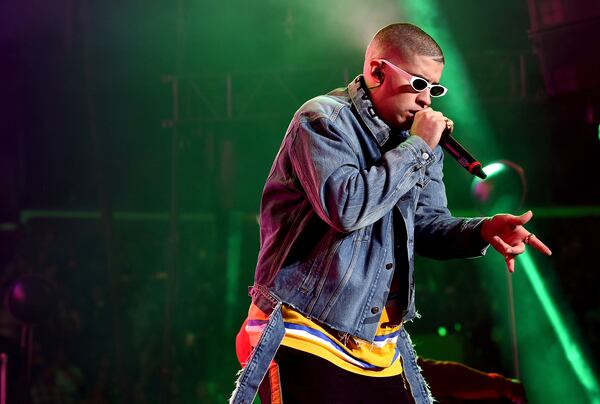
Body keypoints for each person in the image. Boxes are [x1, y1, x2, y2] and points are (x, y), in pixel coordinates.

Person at [230, 23, 551, 404]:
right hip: (306, 331)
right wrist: (418, 147)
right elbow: (345, 208)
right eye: (418, 84)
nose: (427, 101)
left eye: (435, 89)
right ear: (377, 71)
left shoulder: (417, 144)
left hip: (379, 345)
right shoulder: (323, 120)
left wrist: (484, 231)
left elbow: (427, 226)